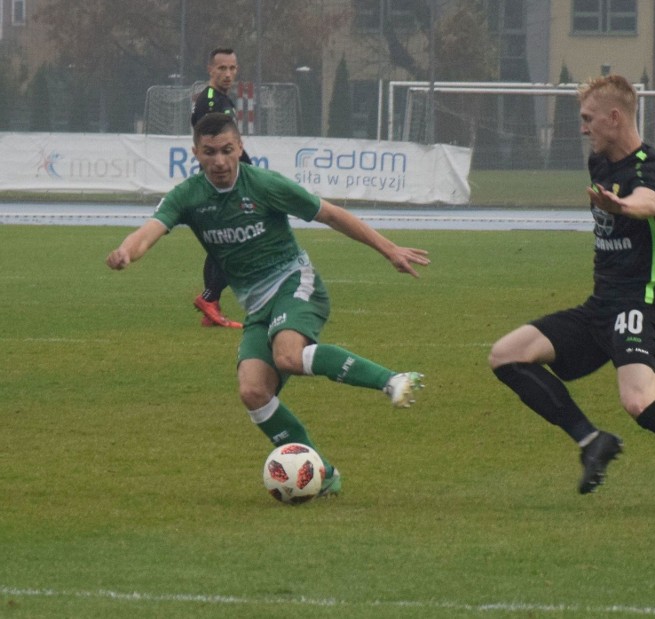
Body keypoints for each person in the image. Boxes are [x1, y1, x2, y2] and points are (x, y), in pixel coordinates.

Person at [107, 113, 429, 497]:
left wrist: (389, 249)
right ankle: (322, 473)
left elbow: (330, 214)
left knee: (289, 355)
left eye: (227, 150)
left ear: (240, 148)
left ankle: (392, 380)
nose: (220, 161)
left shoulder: (263, 185)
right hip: (257, 307)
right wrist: (127, 252)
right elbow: (150, 231)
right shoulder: (188, 196)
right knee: (253, 391)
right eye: (209, 152)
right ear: (195, 153)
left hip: (294, 282)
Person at [488, 75, 655, 517]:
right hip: (601, 306)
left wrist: (622, 206)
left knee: (638, 402)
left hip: (641, 305)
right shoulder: (600, 163)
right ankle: (593, 441)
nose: (582, 128)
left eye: (588, 118)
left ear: (615, 118)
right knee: (506, 355)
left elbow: (650, 202)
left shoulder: (644, 165)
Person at [190, 47, 251, 328]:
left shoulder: (220, 99)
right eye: (222, 69)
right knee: (239, 241)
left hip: (223, 178)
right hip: (221, 181)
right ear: (210, 70)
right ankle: (209, 297)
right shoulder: (211, 100)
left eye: (232, 68)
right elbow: (217, 146)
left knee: (221, 241)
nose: (228, 74)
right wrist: (248, 172)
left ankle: (210, 307)